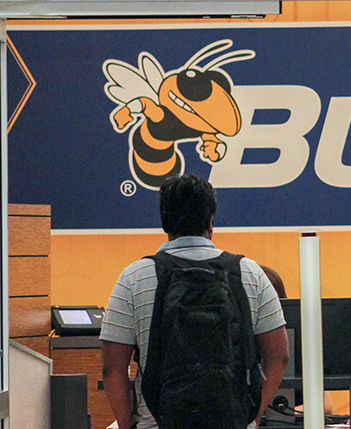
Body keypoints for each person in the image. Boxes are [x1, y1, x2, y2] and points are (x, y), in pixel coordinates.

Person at [100, 174, 290, 429]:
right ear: (211, 220)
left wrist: (127, 425)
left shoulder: (133, 278)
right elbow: (279, 356)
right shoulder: (249, 272)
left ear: (164, 221)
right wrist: (252, 418)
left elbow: (112, 369)